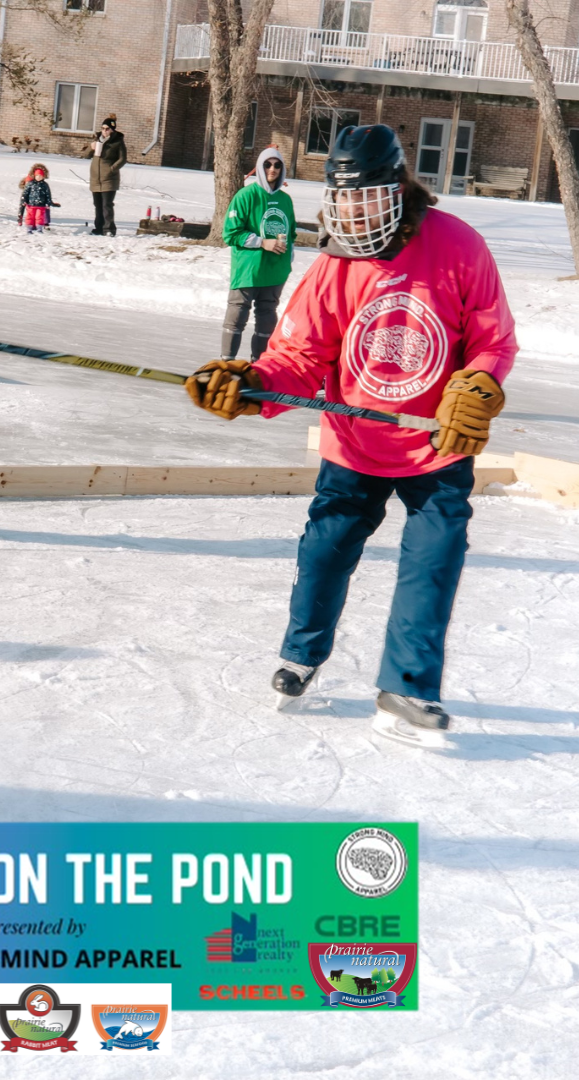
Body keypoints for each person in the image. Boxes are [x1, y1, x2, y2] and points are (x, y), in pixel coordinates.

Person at [186, 125, 516, 746]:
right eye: (342, 200)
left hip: (436, 446)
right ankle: (301, 653)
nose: (353, 211)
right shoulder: (335, 264)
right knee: (324, 551)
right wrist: (253, 382)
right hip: (355, 442)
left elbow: (494, 339)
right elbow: (299, 353)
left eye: (365, 197)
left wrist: (478, 385)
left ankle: (408, 687)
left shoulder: (457, 246)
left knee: (433, 560)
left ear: (397, 189)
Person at [220, 146, 296, 361]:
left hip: (274, 271)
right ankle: (227, 363)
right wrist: (263, 242)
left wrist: (287, 257)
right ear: (260, 168)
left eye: (277, 165)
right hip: (249, 269)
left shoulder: (285, 200)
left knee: (267, 318)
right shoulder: (246, 195)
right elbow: (231, 234)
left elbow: (291, 234)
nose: (272, 169)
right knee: (238, 313)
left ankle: (259, 367)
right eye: (267, 164)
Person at [86, 115, 125, 236]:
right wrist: (91, 148)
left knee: (106, 205)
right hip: (95, 178)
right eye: (103, 128)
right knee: (97, 205)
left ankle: (109, 229)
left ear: (112, 130)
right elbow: (86, 155)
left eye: (107, 128)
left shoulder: (117, 142)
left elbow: (122, 159)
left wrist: (112, 169)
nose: (104, 131)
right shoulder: (97, 140)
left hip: (109, 179)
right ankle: (99, 228)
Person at [17, 163, 59, 234]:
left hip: (41, 204)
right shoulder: (30, 183)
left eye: (40, 176)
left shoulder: (44, 185)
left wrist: (48, 203)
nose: (39, 177)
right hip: (31, 204)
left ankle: (43, 225)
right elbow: (24, 197)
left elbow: (48, 195)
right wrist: (20, 217)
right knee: (30, 216)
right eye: (37, 176)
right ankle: (30, 227)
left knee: (41, 215)